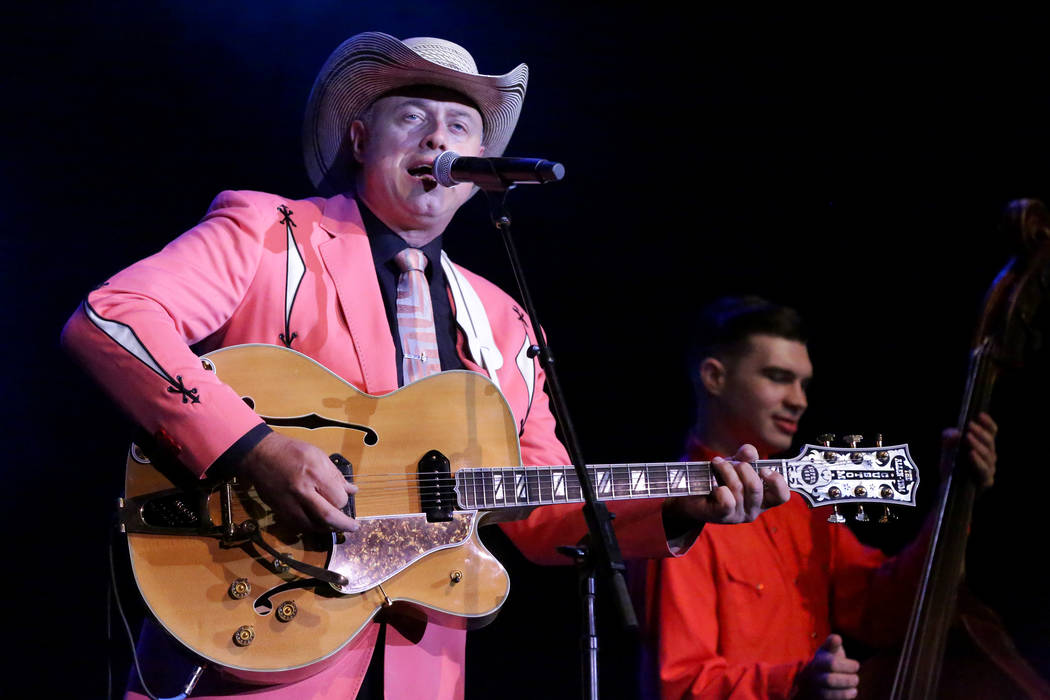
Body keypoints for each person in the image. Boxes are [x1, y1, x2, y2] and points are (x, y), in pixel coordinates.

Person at [62, 34, 789, 699]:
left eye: (462, 126)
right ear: (359, 138)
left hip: (420, 665)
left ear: (476, 174)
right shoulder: (267, 234)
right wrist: (259, 449)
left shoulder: (502, 319)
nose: (440, 137)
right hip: (246, 633)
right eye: (411, 116)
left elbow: (544, 514)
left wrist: (684, 503)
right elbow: (113, 317)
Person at [644, 296, 997, 700]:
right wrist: (795, 683)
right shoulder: (679, 515)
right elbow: (680, 685)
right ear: (714, 377)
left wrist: (954, 498)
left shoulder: (801, 503)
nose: (800, 400)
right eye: (778, 377)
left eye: (804, 383)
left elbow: (882, 611)